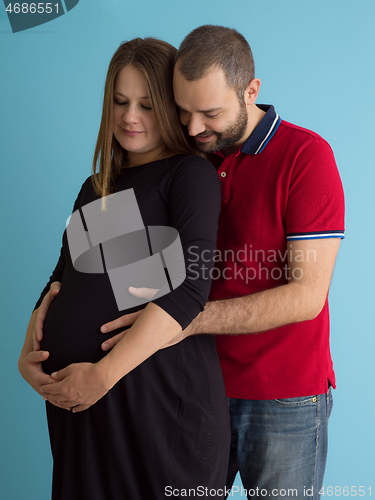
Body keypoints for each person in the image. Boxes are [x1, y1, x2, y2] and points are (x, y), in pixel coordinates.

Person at [89, 26, 345, 499]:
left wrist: (183, 320)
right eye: (182, 111)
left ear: (252, 91)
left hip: (283, 395)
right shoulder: (188, 159)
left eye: (210, 113)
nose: (192, 128)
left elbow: (306, 297)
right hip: (193, 389)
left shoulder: (306, 157)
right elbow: (132, 272)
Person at [18, 37, 231, 500]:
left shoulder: (187, 176)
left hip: (155, 403)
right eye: (119, 101)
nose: (129, 117)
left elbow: (191, 289)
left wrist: (103, 374)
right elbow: (64, 277)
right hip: (85, 407)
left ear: (173, 109)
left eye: (146, 104)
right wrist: (27, 353)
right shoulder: (99, 187)